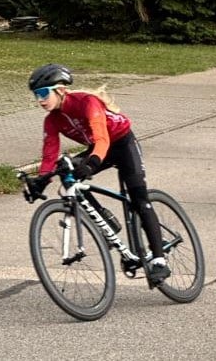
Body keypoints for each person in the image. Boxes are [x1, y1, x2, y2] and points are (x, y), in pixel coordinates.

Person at [26, 63, 171, 283]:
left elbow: (102, 138)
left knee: (139, 199)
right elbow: (49, 156)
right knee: (67, 179)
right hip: (99, 148)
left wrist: (92, 164)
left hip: (122, 144)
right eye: (36, 95)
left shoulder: (87, 102)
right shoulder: (52, 120)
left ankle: (159, 259)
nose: (40, 100)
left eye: (44, 93)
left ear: (61, 90)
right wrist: (41, 180)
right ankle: (104, 218)